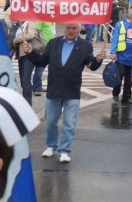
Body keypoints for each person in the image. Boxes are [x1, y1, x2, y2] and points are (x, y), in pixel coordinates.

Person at [23, 22, 107, 162]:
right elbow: (42, 61)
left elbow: (91, 65)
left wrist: (98, 59)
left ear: (79, 30)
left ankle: (65, 150)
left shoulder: (85, 45)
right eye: (68, 28)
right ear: (65, 28)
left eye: (74, 28)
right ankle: (51, 146)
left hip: (72, 89)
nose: (71, 30)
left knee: (69, 123)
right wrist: (31, 52)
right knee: (50, 121)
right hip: (54, 88)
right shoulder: (54, 42)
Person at [12, 20, 41, 105]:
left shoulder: (30, 23)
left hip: (28, 55)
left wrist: (15, 40)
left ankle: (27, 105)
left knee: (25, 81)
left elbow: (30, 35)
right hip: (22, 55)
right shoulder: (21, 25)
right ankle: (26, 103)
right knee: (24, 81)